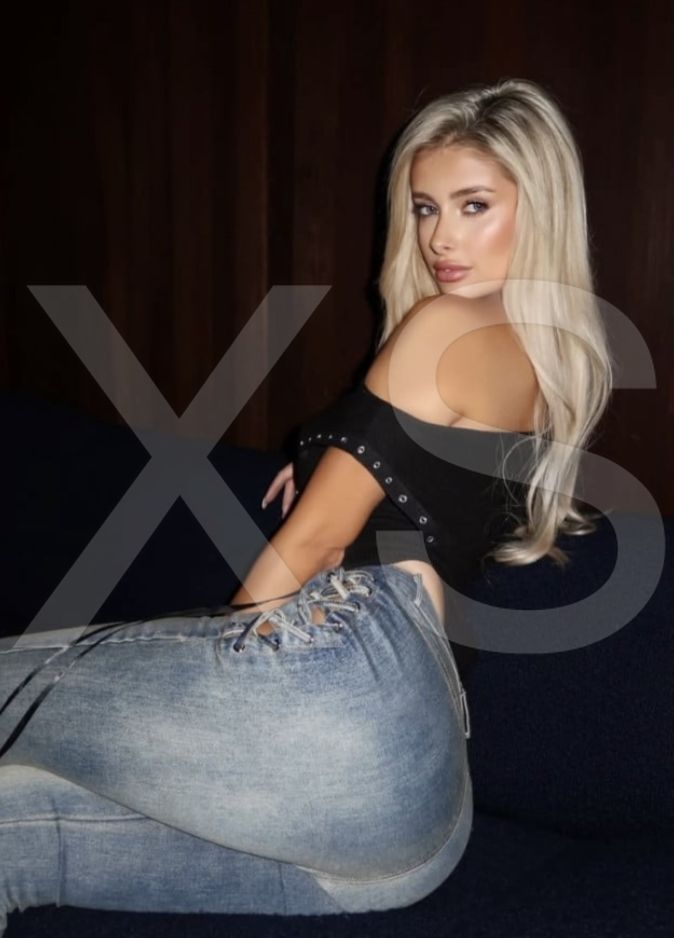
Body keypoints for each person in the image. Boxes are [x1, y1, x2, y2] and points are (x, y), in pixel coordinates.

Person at [0, 77, 612, 930]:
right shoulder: (545, 374)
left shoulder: (445, 325)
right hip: (420, 822)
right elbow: (429, 502)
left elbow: (316, 542)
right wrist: (339, 460)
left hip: (341, 695)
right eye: (425, 208)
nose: (441, 237)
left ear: (539, 210)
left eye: (475, 205)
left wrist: (220, 670)